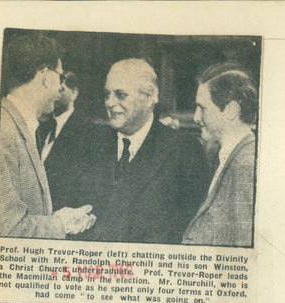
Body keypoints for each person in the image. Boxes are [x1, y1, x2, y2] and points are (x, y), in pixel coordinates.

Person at [71, 58, 208, 244]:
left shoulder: (183, 151)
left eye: (121, 95)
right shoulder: (88, 144)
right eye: (106, 95)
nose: (110, 103)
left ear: (150, 98)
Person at [0, 33, 94, 239]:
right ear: (44, 76)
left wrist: (59, 218)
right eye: (60, 77)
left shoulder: (20, 126)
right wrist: (60, 224)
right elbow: (10, 229)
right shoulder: (4, 132)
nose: (61, 86)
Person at [182, 63, 257, 247]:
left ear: (231, 111)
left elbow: (243, 247)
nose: (195, 117)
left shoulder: (246, 165)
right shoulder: (226, 156)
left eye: (202, 108)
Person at [37, 71, 95, 211]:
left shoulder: (86, 131)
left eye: (61, 90)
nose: (56, 95)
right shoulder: (42, 127)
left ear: (74, 93)